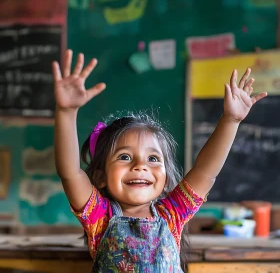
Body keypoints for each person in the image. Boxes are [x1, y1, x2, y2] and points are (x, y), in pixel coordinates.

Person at [52, 50, 267, 272]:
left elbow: (205, 171)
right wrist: (66, 112)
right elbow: (69, 173)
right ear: (100, 177)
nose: (140, 166)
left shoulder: (172, 213)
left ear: (165, 179)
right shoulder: (99, 216)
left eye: (153, 159)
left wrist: (230, 121)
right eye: (124, 157)